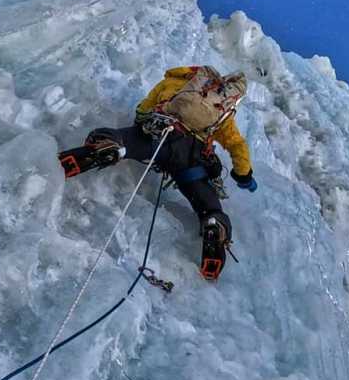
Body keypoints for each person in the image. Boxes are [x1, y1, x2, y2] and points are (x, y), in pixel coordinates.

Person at [79, 65, 257, 280]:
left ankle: (114, 147)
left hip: (159, 135)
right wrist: (243, 175)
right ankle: (213, 222)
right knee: (202, 194)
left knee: (129, 141)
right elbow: (237, 145)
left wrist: (141, 123)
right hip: (189, 156)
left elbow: (143, 110)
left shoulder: (173, 83)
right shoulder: (222, 109)